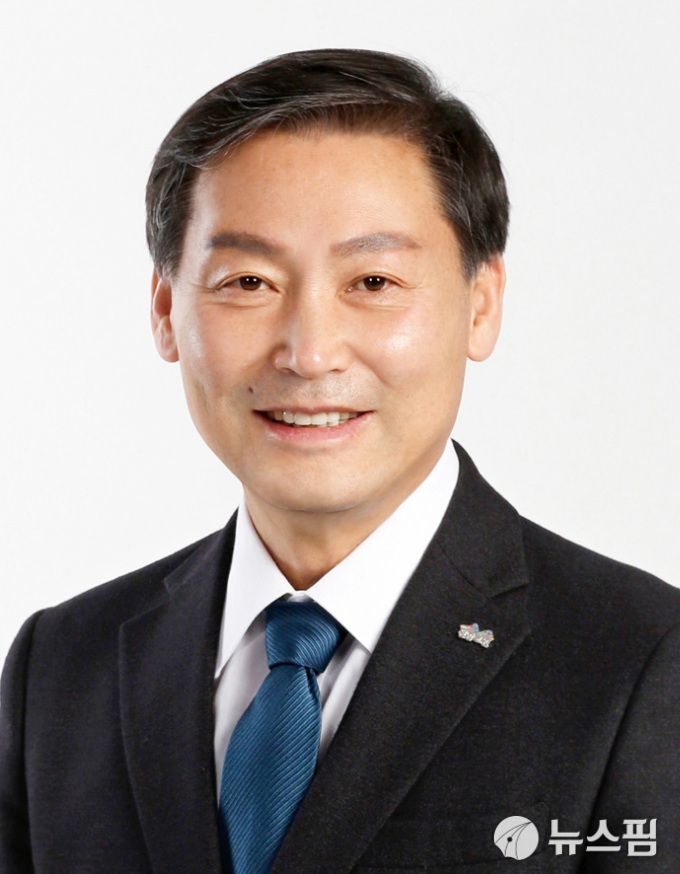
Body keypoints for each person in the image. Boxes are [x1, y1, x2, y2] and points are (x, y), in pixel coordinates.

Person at [1, 47, 678, 874]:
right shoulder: (61, 667)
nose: (310, 352)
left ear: (482, 304)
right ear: (166, 309)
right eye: (248, 282)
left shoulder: (641, 662)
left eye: (374, 282)